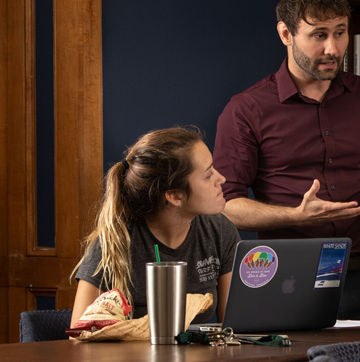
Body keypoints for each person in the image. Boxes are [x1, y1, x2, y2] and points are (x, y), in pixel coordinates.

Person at [212, 0, 360, 320]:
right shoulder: (246, 109)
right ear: (286, 34)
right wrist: (294, 216)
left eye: (340, 32)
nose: (333, 48)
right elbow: (225, 205)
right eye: (319, 35)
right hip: (284, 274)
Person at [71, 127, 240, 326]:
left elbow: (234, 327)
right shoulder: (115, 242)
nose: (221, 179)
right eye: (208, 175)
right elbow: (78, 337)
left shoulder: (219, 231)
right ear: (175, 196)